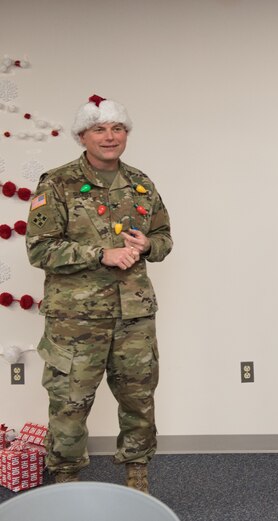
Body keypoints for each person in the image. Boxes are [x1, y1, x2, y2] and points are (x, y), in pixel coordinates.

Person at [25, 95, 173, 493]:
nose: (110, 137)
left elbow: (164, 238)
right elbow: (40, 249)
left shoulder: (141, 184)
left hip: (134, 316)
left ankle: (137, 470)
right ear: (82, 136)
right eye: (100, 129)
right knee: (70, 401)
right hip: (76, 319)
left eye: (117, 128)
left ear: (126, 134)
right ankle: (67, 475)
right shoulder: (56, 184)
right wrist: (100, 254)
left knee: (139, 399)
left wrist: (147, 246)